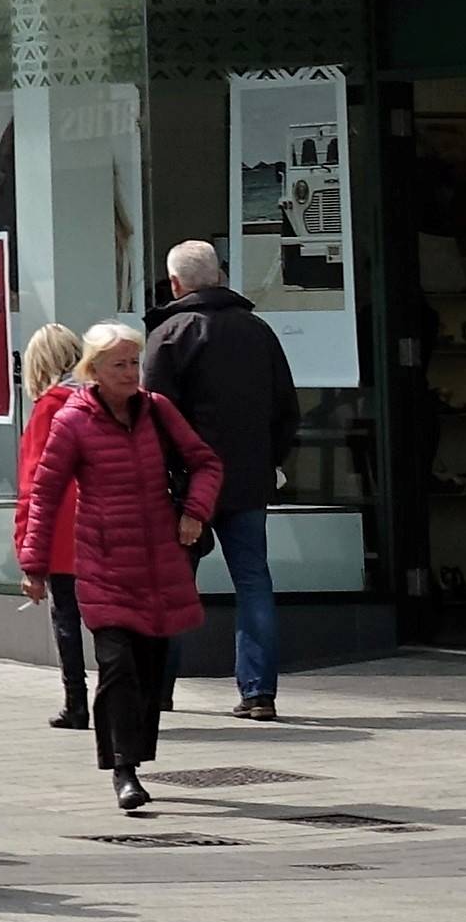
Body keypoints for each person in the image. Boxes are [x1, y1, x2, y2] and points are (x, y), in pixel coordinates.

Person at [23, 319, 221, 814]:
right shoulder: (73, 420)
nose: (132, 373)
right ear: (94, 370)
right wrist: (34, 564)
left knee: (149, 673)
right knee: (116, 667)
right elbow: (45, 493)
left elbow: (206, 463)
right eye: (120, 365)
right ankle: (123, 769)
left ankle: (135, 754)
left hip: (159, 564)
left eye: (135, 363)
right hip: (104, 564)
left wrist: (195, 511)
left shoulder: (158, 410)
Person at [142, 241, 296, 721]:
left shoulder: (169, 335)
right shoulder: (258, 331)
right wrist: (269, 460)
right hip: (248, 479)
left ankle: (158, 690)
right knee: (253, 581)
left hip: (185, 486)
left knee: (173, 585)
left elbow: (152, 418)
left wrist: (164, 476)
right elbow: (286, 409)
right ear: (220, 275)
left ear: (175, 284)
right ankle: (259, 692)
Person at [13, 319, 95, 732]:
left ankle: (76, 703)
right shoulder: (100, 402)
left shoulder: (49, 407)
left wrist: (27, 551)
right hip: (104, 526)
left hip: (63, 533)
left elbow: (33, 484)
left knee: (67, 620)